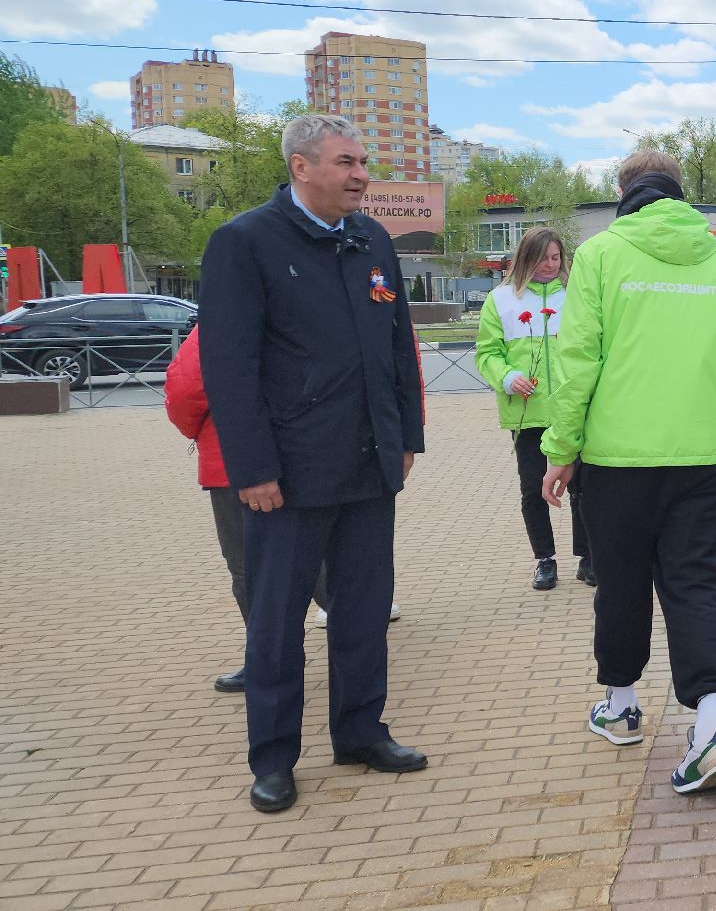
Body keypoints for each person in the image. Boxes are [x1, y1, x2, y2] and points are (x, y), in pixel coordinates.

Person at [199, 114, 428, 814]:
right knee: (277, 624)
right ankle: (273, 759)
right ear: (301, 166)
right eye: (346, 162)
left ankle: (361, 733)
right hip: (288, 477)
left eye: (362, 162)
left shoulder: (372, 239)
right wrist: (252, 468)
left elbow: (398, 347)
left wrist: (407, 436)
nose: (362, 174)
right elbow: (229, 367)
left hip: (369, 465)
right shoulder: (245, 242)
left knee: (362, 612)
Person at [540, 150, 716, 794]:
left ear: (623, 190)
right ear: (679, 191)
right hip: (701, 457)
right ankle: (709, 728)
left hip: (618, 461)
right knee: (694, 585)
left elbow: (577, 360)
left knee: (621, 584)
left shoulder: (602, 255)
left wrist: (561, 448)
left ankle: (622, 706)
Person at [165, 325, 337, 695]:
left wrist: (202, 431)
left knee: (247, 564)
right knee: (311, 551)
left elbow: (186, 390)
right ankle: (356, 633)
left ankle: (270, 660)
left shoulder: (222, 321)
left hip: (233, 463)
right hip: (310, 455)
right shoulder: (308, 311)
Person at [476, 227, 595, 591]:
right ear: (526, 258)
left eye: (556, 257)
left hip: (573, 410)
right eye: (543, 258)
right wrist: (507, 376)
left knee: (582, 486)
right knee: (532, 489)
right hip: (527, 413)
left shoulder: (577, 295)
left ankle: (588, 557)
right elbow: (487, 353)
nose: (550, 264)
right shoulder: (501, 299)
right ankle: (545, 559)